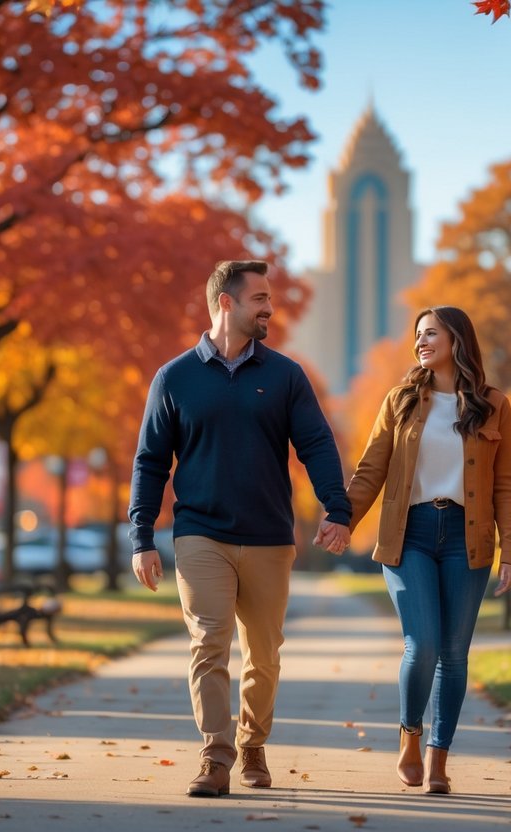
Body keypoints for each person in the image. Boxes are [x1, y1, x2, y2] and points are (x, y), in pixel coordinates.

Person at [128, 259, 351, 798]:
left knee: (264, 653)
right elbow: (150, 461)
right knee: (209, 642)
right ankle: (216, 755)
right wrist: (142, 536)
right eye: (259, 299)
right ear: (225, 303)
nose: (269, 308)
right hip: (200, 532)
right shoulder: (174, 377)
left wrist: (337, 508)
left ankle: (253, 742)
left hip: (269, 535)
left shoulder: (285, 376)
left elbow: (316, 444)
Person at [341, 305, 511, 795]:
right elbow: (371, 468)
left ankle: (439, 759)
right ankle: (409, 735)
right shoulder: (400, 400)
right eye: (417, 335)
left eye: (431, 333)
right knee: (421, 645)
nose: (421, 342)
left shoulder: (493, 405)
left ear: (457, 339)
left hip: (468, 537)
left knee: (455, 655)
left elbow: (507, 486)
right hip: (410, 533)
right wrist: (343, 519)